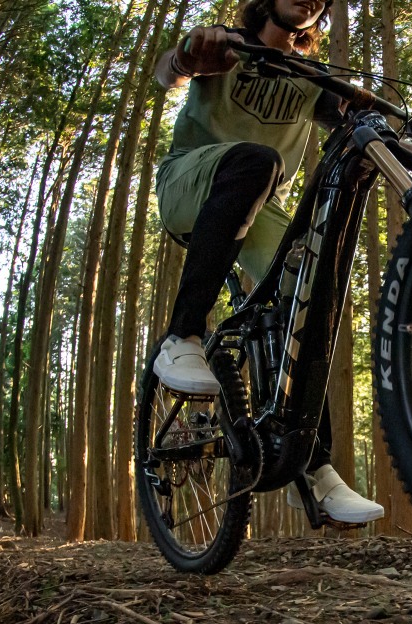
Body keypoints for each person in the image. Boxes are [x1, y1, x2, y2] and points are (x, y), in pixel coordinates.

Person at [151, 0, 385, 524]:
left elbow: (353, 114)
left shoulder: (311, 76)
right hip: (190, 182)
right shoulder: (225, 44)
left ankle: (315, 467)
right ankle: (181, 337)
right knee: (258, 161)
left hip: (258, 206)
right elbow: (166, 69)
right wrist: (189, 56)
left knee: (307, 290)